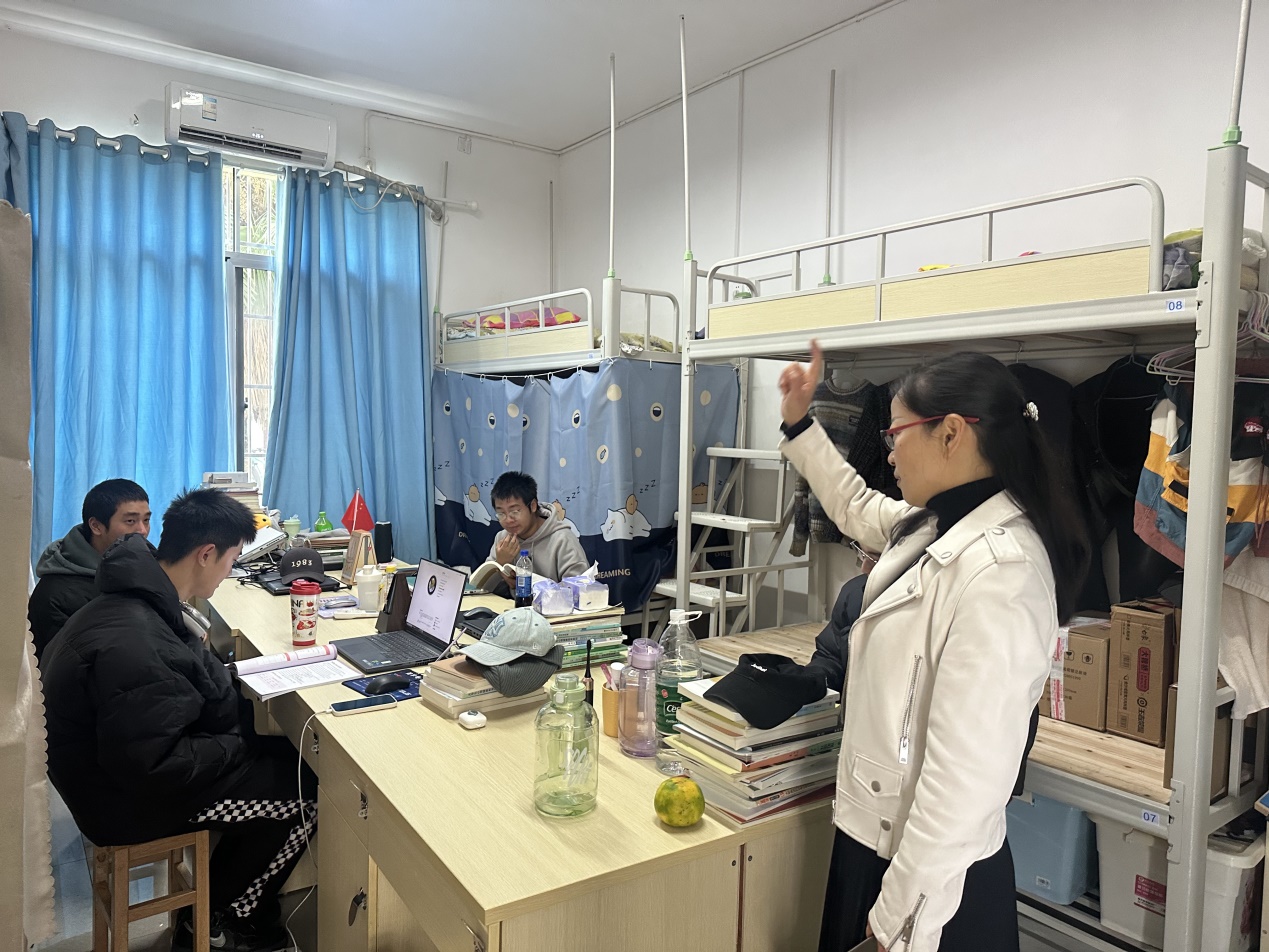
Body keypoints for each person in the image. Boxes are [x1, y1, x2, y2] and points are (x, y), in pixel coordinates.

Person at [778, 342, 1088, 952]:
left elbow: (965, 783)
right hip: (876, 842)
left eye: (896, 434)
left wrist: (897, 918)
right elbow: (854, 504)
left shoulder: (1001, 573)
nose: (889, 451)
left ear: (951, 433)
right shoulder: (933, 523)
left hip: (930, 882)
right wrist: (799, 422)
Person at [41, 489, 315, 952]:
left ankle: (231, 903)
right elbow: (159, 767)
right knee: (305, 793)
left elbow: (164, 708)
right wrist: (241, 742)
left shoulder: (138, 598)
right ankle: (222, 920)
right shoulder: (138, 638)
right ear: (205, 554)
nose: (229, 573)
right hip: (123, 802)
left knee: (285, 753)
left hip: (118, 768)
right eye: (230, 561)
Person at [28, 478, 151, 662]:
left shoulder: (142, 570)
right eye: (130, 521)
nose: (142, 530)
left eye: (146, 520)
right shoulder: (55, 595)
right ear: (96, 526)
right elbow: (62, 668)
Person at [487, 471, 588, 594]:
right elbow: (481, 589)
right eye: (501, 513)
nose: (508, 520)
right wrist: (500, 564)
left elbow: (579, 591)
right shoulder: (503, 539)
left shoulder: (562, 539)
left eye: (515, 512)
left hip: (554, 606)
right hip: (514, 606)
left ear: (533, 506)